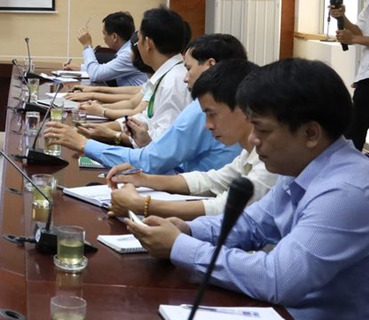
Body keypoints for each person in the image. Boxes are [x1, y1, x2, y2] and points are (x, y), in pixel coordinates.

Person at [126, 59, 369, 320]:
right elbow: (252, 225)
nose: (252, 140)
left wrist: (180, 246)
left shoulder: (345, 191)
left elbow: (279, 279)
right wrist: (188, 230)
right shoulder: (301, 166)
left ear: (310, 133)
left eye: (262, 130)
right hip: (279, 318)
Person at [42, 33, 246, 173]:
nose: (185, 78)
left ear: (210, 66)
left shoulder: (201, 108)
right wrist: (145, 143)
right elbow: (169, 156)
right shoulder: (224, 100)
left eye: (189, 68)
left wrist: (83, 143)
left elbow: (153, 160)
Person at [103, 60, 276, 220]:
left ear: (243, 108)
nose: (207, 125)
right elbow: (211, 181)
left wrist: (142, 205)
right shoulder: (249, 152)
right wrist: (144, 179)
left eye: (212, 114)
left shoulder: (273, 161)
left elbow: (224, 207)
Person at [74, 7, 191, 141]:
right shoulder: (165, 75)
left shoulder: (173, 82)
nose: (134, 47)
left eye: (138, 39)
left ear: (148, 44)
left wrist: (113, 135)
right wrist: (100, 128)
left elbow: (162, 143)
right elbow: (143, 119)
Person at [328, 0, 369, 150]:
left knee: (353, 135)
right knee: (354, 133)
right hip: (366, 77)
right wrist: (342, 17)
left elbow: (356, 38)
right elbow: (360, 33)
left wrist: (352, 40)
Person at [66, 11, 148, 87]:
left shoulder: (129, 54)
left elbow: (95, 74)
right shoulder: (128, 49)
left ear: (114, 37)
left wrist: (87, 45)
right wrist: (81, 68)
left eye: (104, 34)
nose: (103, 37)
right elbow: (103, 70)